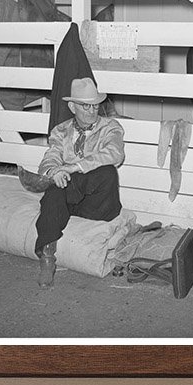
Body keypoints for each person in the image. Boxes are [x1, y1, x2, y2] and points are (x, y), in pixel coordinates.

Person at [34, 78, 125, 287]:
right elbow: (50, 157)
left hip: (99, 205)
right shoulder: (61, 131)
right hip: (69, 201)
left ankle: (58, 185)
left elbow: (114, 153)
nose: (92, 110)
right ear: (72, 106)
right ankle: (47, 258)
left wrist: (74, 167)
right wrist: (54, 171)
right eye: (86, 106)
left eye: (95, 105)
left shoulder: (111, 127)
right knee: (56, 186)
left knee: (106, 173)